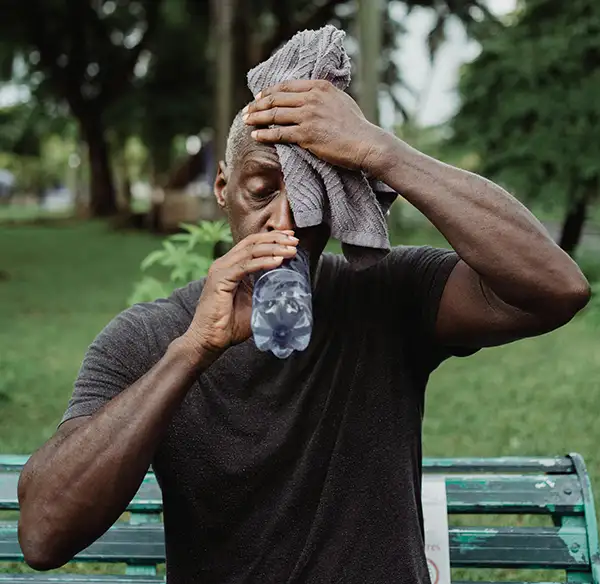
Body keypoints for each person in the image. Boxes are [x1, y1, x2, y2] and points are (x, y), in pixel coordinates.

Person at [18, 80, 590, 584]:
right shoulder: (149, 339)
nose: (284, 221)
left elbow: (556, 288)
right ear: (223, 188)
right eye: (262, 189)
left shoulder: (385, 295)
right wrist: (192, 351)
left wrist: (380, 150)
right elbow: (44, 535)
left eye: (311, 196)